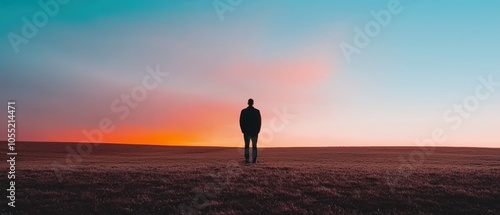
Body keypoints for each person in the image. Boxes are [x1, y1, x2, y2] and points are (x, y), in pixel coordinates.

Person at [239, 98, 261, 164]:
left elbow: (241, 121)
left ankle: (247, 159)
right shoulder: (256, 111)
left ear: (248, 103)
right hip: (253, 131)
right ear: (253, 103)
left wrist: (243, 129)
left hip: (247, 131)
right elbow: (259, 122)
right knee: (254, 145)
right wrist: (257, 130)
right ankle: (253, 160)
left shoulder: (244, 111)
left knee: (247, 145)